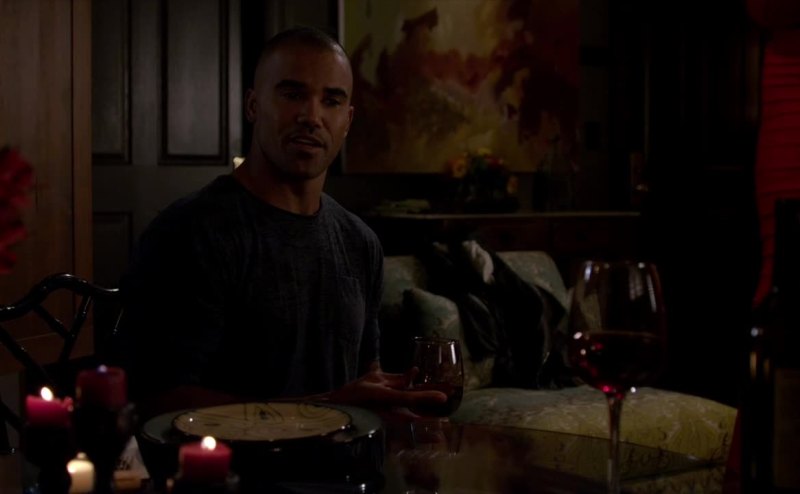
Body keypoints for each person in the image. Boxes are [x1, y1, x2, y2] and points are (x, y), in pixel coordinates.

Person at [115, 26, 446, 420]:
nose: (311, 117)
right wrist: (327, 409)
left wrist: (397, 416)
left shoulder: (360, 242)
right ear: (253, 105)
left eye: (331, 101)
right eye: (293, 95)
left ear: (347, 120)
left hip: (346, 460)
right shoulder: (191, 234)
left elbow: (363, 379)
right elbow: (155, 401)